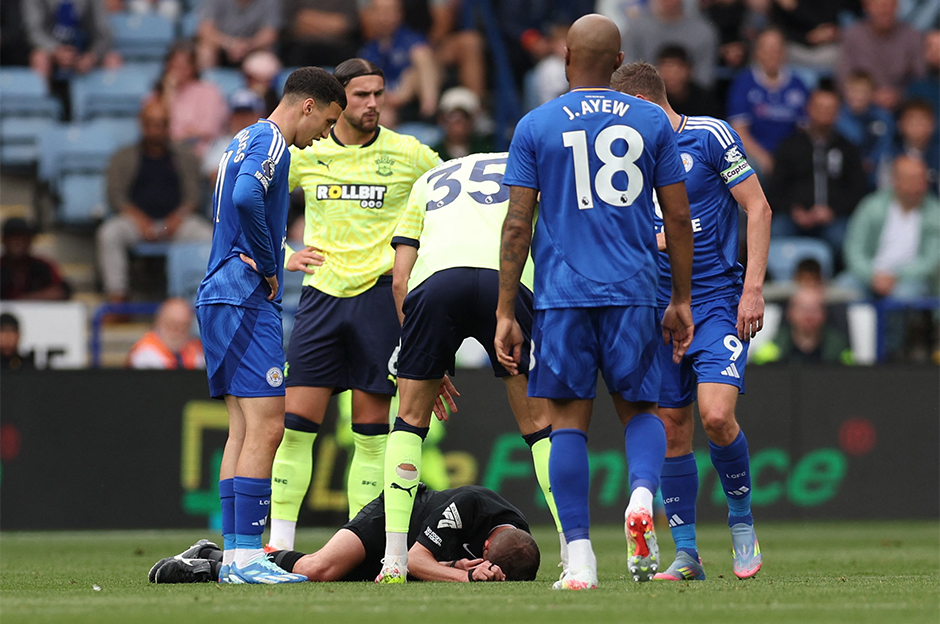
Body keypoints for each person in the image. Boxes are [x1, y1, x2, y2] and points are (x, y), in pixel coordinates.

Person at [496, 14, 695, 590]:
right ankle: (639, 497)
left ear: (564, 57)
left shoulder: (535, 124)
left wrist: (508, 309)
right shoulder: (651, 122)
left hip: (561, 296)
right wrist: (680, 298)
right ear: (617, 61)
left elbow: (516, 224)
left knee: (566, 427)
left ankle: (580, 561)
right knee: (642, 412)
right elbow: (678, 217)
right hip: (634, 290)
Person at [266, 59, 440, 552]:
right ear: (337, 102)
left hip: (380, 299)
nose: (372, 104)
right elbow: (257, 199)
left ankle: (356, 545)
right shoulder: (310, 151)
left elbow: (449, 194)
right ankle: (277, 547)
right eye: (361, 95)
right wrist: (283, 253)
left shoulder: (408, 154)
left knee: (370, 435)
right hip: (320, 299)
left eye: (378, 94)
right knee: (295, 428)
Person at [611, 61, 772, 582]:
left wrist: (752, 289)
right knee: (671, 429)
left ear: (642, 105)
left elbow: (759, 209)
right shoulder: (622, 160)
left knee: (717, 416)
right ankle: (686, 555)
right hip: (654, 310)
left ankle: (742, 523)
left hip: (716, 301)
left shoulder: (708, 136)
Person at [376, 152, 563, 582]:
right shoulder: (528, 164)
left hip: (436, 283)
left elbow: (400, 277)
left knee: (408, 422)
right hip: (507, 280)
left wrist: (425, 352)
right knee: (539, 426)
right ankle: (574, 553)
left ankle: (394, 561)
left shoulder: (430, 176)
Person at [194, 66, 346, 584]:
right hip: (243, 296)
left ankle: (237, 557)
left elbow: (238, 204)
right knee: (268, 425)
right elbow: (244, 199)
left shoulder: (243, 138)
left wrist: (281, 253)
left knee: (242, 427)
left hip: (218, 293)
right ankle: (248, 558)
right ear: (307, 106)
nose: (323, 135)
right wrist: (269, 259)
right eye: (326, 122)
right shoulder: (274, 142)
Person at [149, 485, 539, 584]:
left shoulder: (516, 538)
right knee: (321, 569)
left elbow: (437, 557)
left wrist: (456, 563)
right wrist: (466, 575)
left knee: (336, 575)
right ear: (488, 545)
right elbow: (414, 560)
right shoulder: (469, 504)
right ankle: (210, 564)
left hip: (418, 544)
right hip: (394, 517)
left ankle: (213, 558)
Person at [97, 100, 212, 304]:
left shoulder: (185, 157)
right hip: (135, 221)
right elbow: (115, 196)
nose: (157, 130)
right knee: (109, 233)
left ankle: (201, 297)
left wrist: (177, 218)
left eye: (162, 124)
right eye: (152, 123)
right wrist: (140, 220)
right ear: (142, 124)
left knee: (210, 237)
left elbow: (193, 196)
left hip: (176, 222)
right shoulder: (123, 157)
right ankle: (117, 296)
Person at [769, 86, 868, 262]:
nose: (824, 113)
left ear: (838, 113)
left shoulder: (849, 149)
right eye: (819, 107)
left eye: (830, 109)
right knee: (776, 232)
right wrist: (794, 209)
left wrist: (832, 211)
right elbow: (775, 188)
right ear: (809, 109)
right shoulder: (789, 146)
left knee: (842, 238)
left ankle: (836, 285)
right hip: (793, 216)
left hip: (833, 217)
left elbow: (857, 191)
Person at [843, 155, 940, 300]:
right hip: (870, 273)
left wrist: (897, 276)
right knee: (844, 287)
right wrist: (873, 275)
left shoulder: (935, 213)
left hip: (911, 278)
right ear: (896, 181)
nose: (920, 184)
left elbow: (932, 259)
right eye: (912, 178)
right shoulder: (871, 206)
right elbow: (854, 250)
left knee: (903, 295)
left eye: (922, 178)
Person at [727, 28, 810, 178]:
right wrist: (764, 158)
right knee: (745, 170)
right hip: (753, 154)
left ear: (784, 52)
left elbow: (804, 131)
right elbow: (739, 132)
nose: (772, 54)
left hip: (789, 155)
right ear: (757, 52)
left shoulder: (798, 85)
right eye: (766, 48)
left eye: (777, 49)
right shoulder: (744, 83)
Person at [358, 0, 440, 123]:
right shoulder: (368, 50)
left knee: (421, 60)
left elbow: (427, 69)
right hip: (386, 103)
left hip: (413, 101)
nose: (384, 17)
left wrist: (404, 92)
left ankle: (430, 115)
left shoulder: (413, 40)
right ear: (371, 14)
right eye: (379, 11)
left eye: (389, 11)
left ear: (400, 14)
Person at [837, 0, 925, 112]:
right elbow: (843, 77)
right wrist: (869, 95)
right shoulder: (852, 35)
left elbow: (920, 77)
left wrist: (900, 95)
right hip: (861, 107)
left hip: (903, 107)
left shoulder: (913, 36)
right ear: (866, 7)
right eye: (879, 6)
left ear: (897, 7)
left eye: (889, 5)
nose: (884, 10)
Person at [150, 41, 229, 160]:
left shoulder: (209, 91)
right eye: (174, 65)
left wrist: (182, 135)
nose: (178, 70)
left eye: (184, 65)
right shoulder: (157, 95)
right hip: (166, 153)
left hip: (202, 152)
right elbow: (155, 128)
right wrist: (168, 94)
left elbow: (209, 129)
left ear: (193, 67)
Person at [623, 0, 719, 89]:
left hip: (690, 98)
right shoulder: (635, 29)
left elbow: (704, 76)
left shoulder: (703, 32)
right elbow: (627, 69)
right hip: (644, 95)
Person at [751, 284, 854, 365]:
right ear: (790, 313)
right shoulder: (772, 351)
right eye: (803, 309)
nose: (809, 316)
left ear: (825, 314)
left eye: (815, 310)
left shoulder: (839, 350)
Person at [24, 0, 122, 80]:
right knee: (39, 57)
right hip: (52, 53)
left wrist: (92, 56)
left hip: (84, 52)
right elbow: (34, 32)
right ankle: (42, 101)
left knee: (113, 59)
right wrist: (55, 50)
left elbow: (104, 33)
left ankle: (109, 102)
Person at [836, 70, 896, 191]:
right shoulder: (838, 117)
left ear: (873, 93)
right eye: (853, 91)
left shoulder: (884, 117)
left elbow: (886, 145)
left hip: (875, 176)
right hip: (844, 176)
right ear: (845, 92)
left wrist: (872, 160)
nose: (858, 96)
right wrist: (856, 163)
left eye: (863, 91)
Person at [203, 90, 268, 189]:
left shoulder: (270, 143)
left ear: (260, 116)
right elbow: (215, 177)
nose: (242, 120)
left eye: (247, 115)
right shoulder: (222, 143)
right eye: (238, 115)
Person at [197, 0, 282, 69]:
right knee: (205, 51)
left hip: (253, 48)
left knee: (267, 59)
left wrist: (248, 45)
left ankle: (260, 89)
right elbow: (205, 29)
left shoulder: (270, 2)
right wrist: (229, 44)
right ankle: (206, 86)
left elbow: (270, 33)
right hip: (221, 46)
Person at [0, 218, 70, 301]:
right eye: (13, 238)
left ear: (30, 241)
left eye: (23, 238)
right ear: (4, 240)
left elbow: (60, 292)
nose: (18, 242)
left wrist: (24, 300)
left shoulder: (43, 266)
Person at [127, 297, 205, 369]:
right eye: (172, 324)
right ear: (159, 321)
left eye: (184, 326)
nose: (177, 331)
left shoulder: (195, 350)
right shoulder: (145, 352)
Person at [280, 0, 362, 68]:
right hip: (299, 54)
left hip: (340, 54)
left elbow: (346, 24)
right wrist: (332, 24)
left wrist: (310, 20)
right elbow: (295, 22)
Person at [655, 45, 722, 119]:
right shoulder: (650, 101)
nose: (671, 77)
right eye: (666, 72)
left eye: (676, 72)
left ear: (689, 70)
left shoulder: (706, 102)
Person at [430, 88, 493, 162]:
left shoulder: (486, 152)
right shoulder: (434, 154)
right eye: (452, 116)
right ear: (442, 120)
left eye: (464, 116)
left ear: (472, 120)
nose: (458, 122)